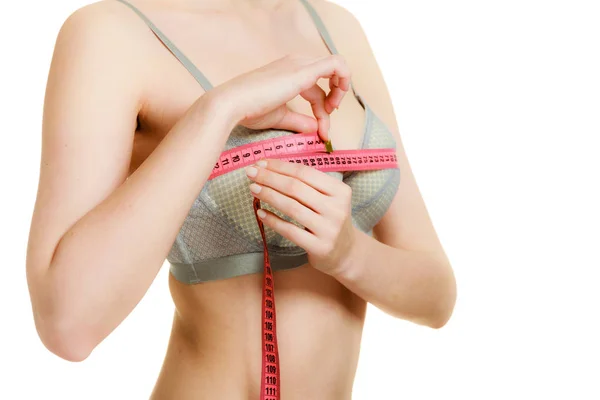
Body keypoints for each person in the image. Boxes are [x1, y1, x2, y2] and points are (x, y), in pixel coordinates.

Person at [25, 0, 457, 398]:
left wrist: (349, 254)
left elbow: (436, 296)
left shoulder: (336, 26)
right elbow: (67, 326)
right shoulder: (110, 33)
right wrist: (221, 110)